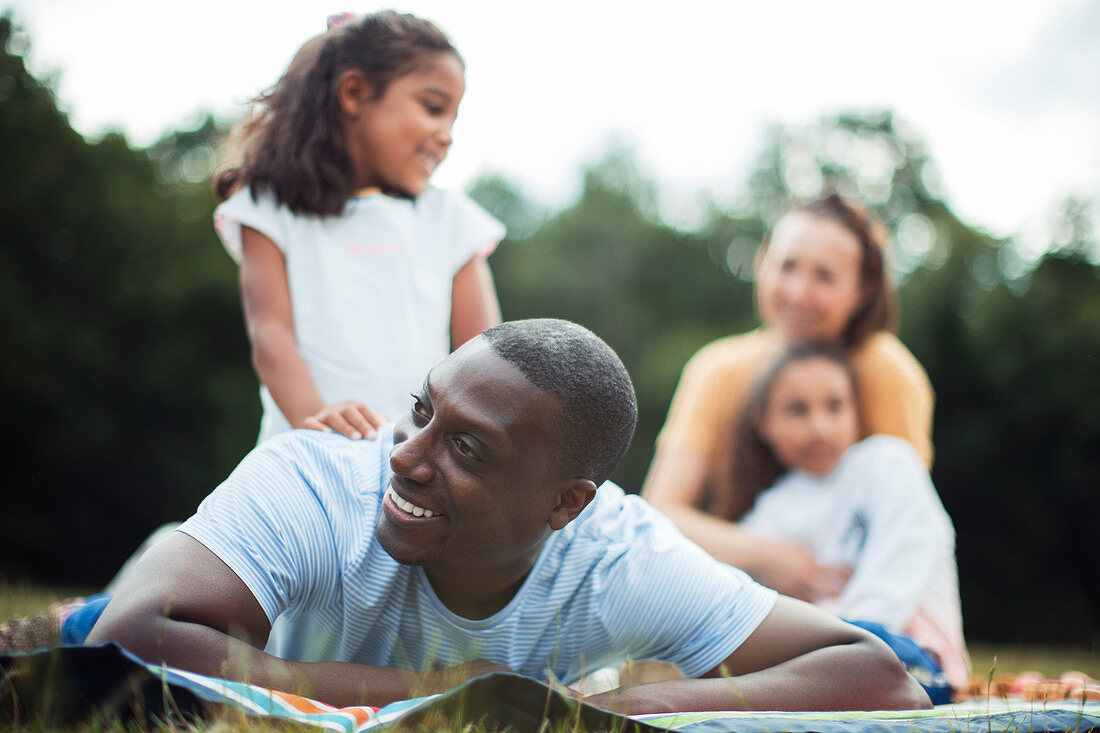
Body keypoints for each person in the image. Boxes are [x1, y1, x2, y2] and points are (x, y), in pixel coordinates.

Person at [83, 319, 930, 714]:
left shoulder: (617, 557)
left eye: (468, 449)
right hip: (223, 584)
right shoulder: (324, 478)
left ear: (567, 504)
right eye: (420, 411)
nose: (407, 455)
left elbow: (875, 675)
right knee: (88, 615)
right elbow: (130, 638)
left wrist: (592, 714)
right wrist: (461, 702)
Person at [213, 10, 504, 445]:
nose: (447, 136)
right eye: (433, 108)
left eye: (453, 120)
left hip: (415, 465)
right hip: (304, 456)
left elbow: (483, 355)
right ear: (354, 93)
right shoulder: (269, 209)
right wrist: (319, 420)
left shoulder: (451, 218)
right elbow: (270, 334)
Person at [643, 193, 934, 604]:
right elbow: (661, 514)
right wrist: (766, 556)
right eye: (787, 266)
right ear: (761, 263)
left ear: (863, 290)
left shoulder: (886, 370)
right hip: (739, 591)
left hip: (853, 597)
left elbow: (906, 517)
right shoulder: (717, 369)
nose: (798, 293)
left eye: (825, 277)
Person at [723, 343, 969, 700]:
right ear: (764, 423)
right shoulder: (769, 512)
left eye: (835, 406)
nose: (819, 427)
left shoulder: (888, 464)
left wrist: (835, 643)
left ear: (855, 410)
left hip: (904, 655)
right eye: (797, 410)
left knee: (855, 662)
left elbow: (900, 569)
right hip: (812, 661)